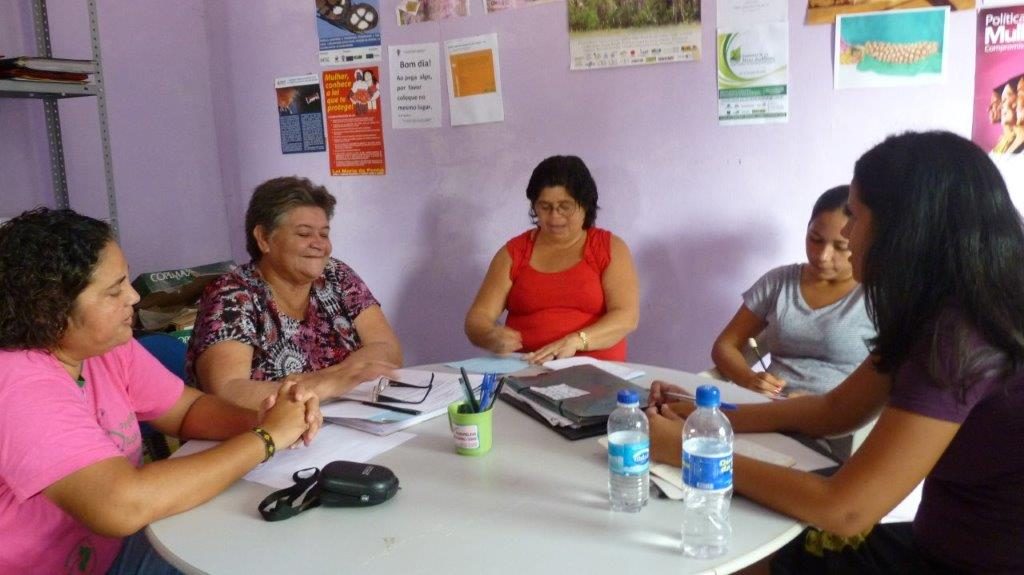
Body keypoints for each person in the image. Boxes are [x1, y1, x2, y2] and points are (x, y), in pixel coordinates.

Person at [649, 131, 1024, 574]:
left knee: (726, 560)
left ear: (905, 229)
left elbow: (846, 509)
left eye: (856, 217)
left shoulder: (957, 337)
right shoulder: (942, 309)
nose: (845, 233)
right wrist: (704, 418)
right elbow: (834, 410)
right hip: (935, 546)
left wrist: (689, 454)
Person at [0, 208, 321, 574]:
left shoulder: (105, 348)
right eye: (114, 290)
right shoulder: (17, 381)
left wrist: (264, 418)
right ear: (50, 311)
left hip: (111, 551)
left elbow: (186, 411)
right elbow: (119, 506)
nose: (134, 297)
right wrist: (266, 438)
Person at [187, 176, 401, 409]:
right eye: (304, 234)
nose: (319, 244)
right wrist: (327, 385)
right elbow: (226, 391)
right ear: (264, 238)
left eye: (324, 234)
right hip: (259, 437)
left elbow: (388, 349)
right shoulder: (232, 295)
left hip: (342, 424)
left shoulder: (336, 275)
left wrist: (336, 375)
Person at [464, 155, 639, 363]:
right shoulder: (514, 253)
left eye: (565, 207)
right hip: (527, 371)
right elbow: (477, 319)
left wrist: (577, 341)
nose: (555, 217)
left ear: (585, 204)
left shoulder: (609, 248)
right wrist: (490, 336)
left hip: (596, 372)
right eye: (545, 207)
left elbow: (627, 317)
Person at [711, 185, 875, 398]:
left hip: (839, 420)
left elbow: (894, 378)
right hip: (769, 408)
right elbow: (725, 345)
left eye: (840, 246)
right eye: (815, 239)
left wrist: (821, 406)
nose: (822, 255)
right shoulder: (779, 282)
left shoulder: (876, 295)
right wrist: (749, 379)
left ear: (861, 240)